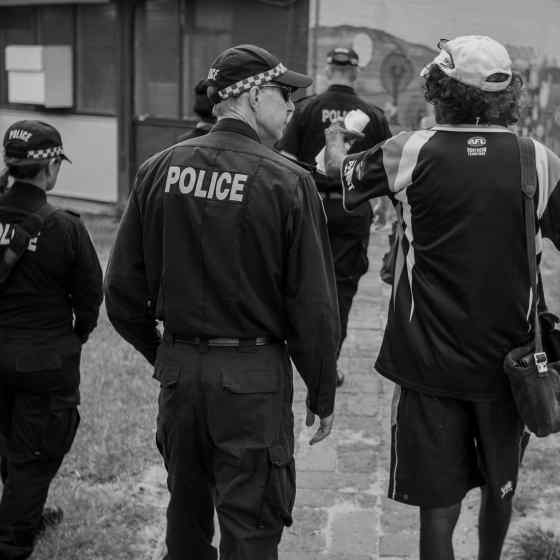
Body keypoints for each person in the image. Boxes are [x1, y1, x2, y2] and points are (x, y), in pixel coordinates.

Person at [324, 35, 560, 560]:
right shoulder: (539, 161)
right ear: (506, 95)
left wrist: (336, 139)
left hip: (427, 365)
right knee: (503, 486)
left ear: (439, 88)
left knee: (439, 504)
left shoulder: (409, 149)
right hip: (509, 366)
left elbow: (334, 171)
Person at [104, 44, 339, 560]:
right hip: (252, 381)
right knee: (252, 526)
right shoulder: (288, 181)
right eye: (285, 95)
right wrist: (322, 390)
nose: (292, 107)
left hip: (181, 376)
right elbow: (313, 307)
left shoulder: (159, 169)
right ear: (253, 97)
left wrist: (168, 357)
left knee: (186, 517)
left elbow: (121, 293)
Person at [0, 120, 103, 559]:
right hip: (43, 362)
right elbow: (90, 297)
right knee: (36, 453)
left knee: (12, 440)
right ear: (49, 169)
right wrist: (73, 338)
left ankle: (22, 512)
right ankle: (12, 541)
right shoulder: (64, 227)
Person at [277, 46, 391, 386]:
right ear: (355, 73)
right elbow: (387, 169)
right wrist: (382, 209)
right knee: (342, 290)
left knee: (300, 281)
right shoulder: (373, 114)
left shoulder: (306, 109)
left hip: (310, 206)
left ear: (328, 69)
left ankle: (297, 356)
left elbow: (283, 160)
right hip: (352, 209)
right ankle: (329, 362)